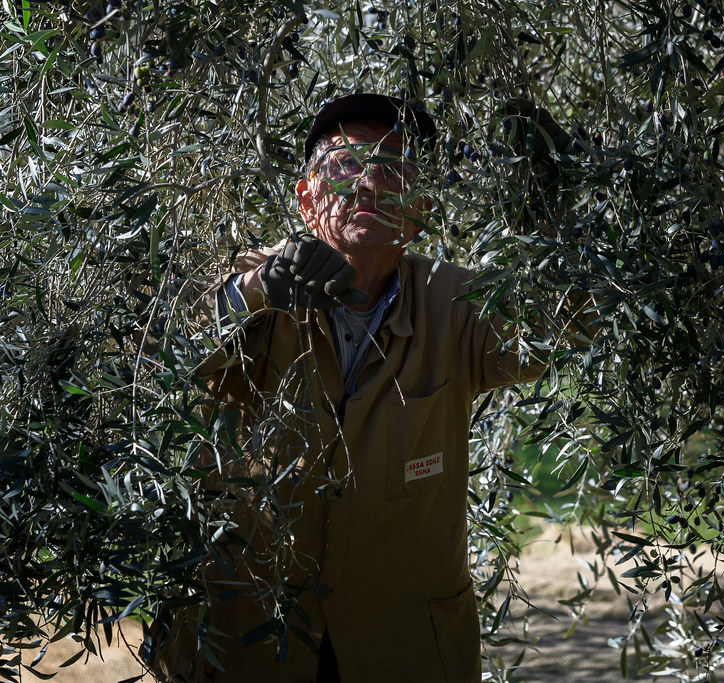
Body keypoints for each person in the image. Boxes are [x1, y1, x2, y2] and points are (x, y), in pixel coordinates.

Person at [152, 94, 559, 683]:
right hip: (250, 647)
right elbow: (162, 358)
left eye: (392, 167)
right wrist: (259, 288)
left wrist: (558, 213)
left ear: (419, 211)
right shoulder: (253, 279)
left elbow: (556, 331)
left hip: (403, 650)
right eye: (345, 164)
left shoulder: (455, 302)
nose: (368, 182)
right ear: (306, 198)